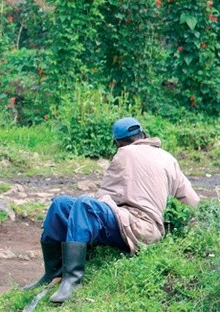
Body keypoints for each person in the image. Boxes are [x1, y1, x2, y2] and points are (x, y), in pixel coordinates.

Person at [25, 117, 200, 303]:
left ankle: (72, 280)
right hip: (148, 227)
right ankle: (52, 273)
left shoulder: (123, 154)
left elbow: (105, 196)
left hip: (136, 228)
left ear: (118, 142)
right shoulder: (168, 158)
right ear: (142, 135)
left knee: (80, 204)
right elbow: (192, 201)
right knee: (62, 203)